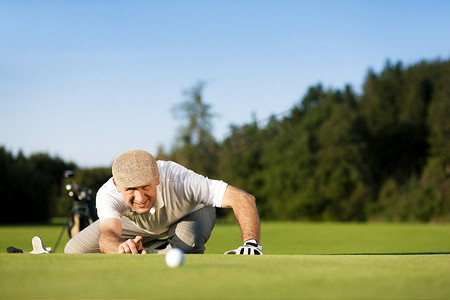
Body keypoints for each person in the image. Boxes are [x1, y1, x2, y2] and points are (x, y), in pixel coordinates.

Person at [64, 150, 263, 255]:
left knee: (186, 246)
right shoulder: (107, 193)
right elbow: (108, 234)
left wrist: (251, 244)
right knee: (74, 250)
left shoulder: (181, 180)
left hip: (190, 214)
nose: (140, 198)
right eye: (131, 190)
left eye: (145, 187)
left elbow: (243, 199)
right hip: (138, 224)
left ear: (157, 178)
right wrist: (118, 248)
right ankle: (154, 251)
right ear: (117, 184)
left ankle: (163, 249)